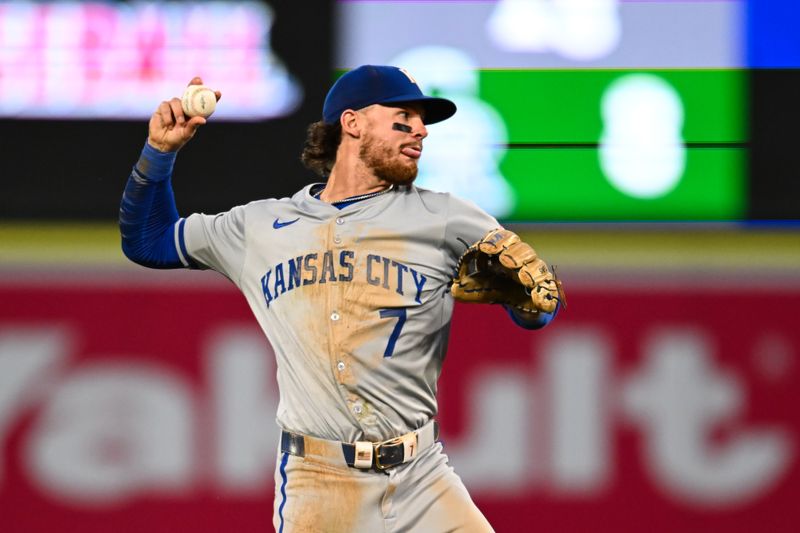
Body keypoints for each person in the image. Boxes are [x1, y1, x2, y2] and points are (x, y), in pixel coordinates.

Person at [120, 65, 562, 532]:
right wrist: (159, 153)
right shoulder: (259, 227)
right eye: (404, 115)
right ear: (352, 123)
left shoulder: (448, 217)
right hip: (318, 482)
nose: (421, 130)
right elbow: (148, 241)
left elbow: (534, 313)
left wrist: (528, 305)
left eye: (422, 120)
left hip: (422, 477)